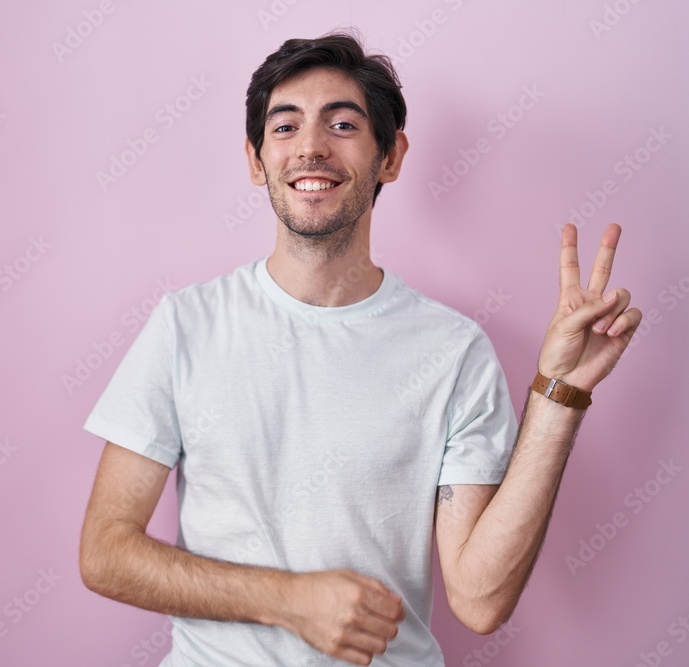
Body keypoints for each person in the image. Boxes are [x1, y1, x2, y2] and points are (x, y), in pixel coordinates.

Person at [78, 30, 641, 666]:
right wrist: (289, 601)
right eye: (285, 127)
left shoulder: (454, 351)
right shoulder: (185, 325)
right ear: (256, 158)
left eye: (343, 124)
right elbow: (105, 551)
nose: (311, 148)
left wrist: (560, 394)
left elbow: (481, 600)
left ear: (391, 157)